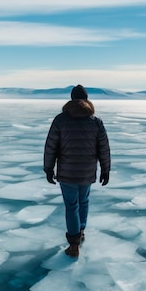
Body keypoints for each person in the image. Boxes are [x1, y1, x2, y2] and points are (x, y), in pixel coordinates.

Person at [43, 84, 111, 258]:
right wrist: (105, 169)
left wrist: (49, 168)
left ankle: (74, 245)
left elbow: (51, 146)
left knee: (72, 206)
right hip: (87, 171)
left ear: (72, 99)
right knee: (84, 201)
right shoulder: (95, 121)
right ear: (87, 99)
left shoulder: (60, 120)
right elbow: (103, 147)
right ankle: (80, 232)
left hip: (67, 172)